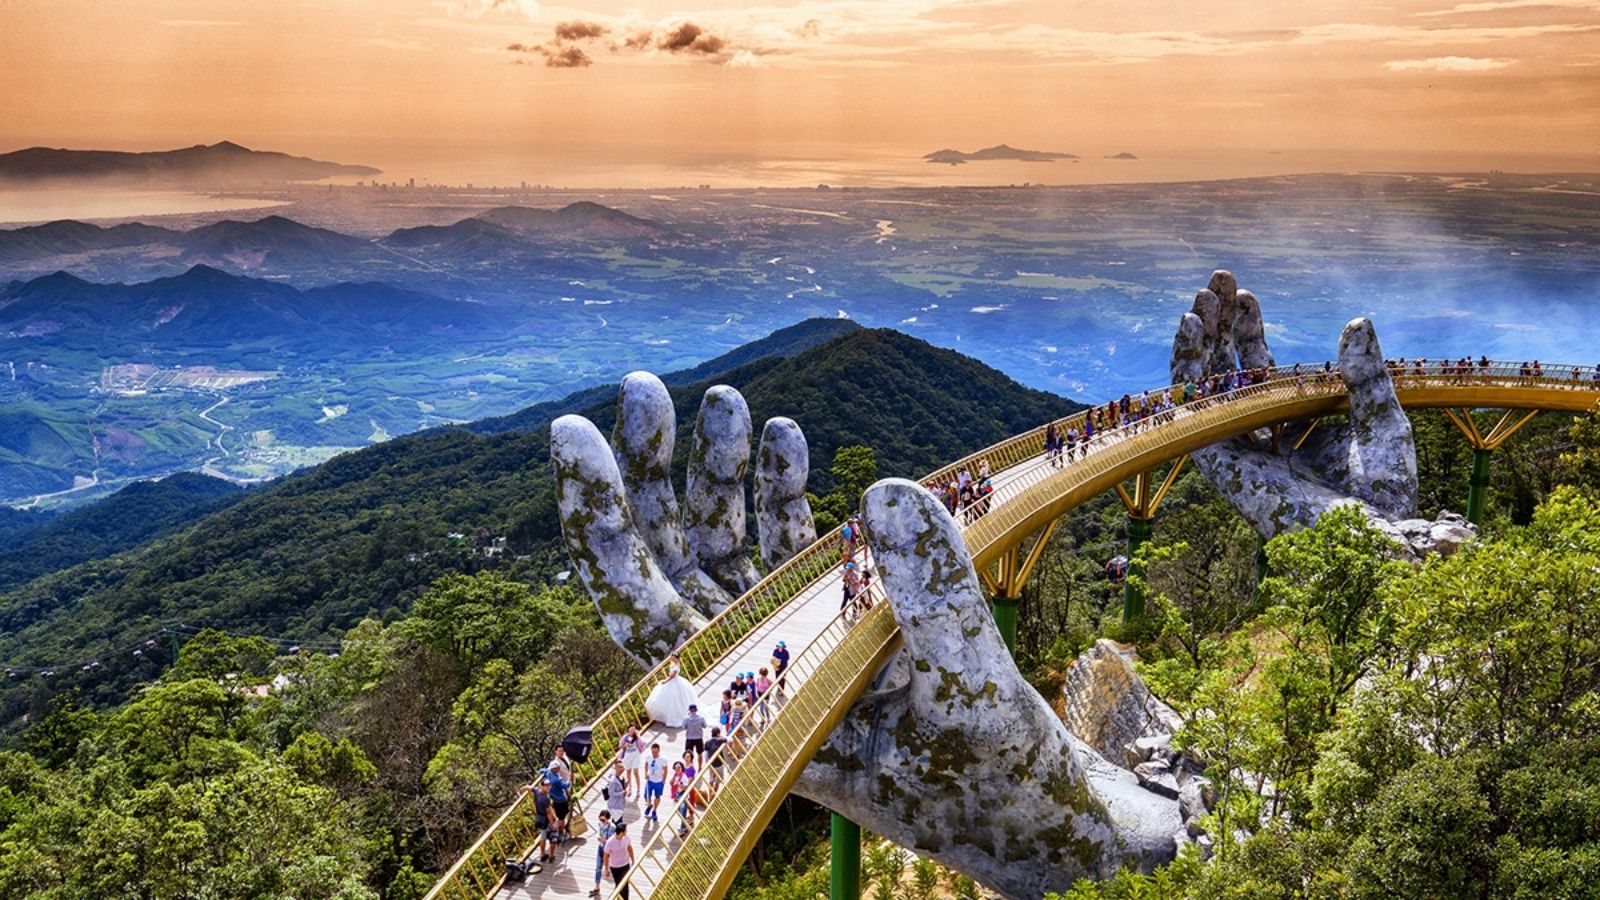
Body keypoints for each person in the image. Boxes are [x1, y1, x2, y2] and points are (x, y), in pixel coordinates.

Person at [644, 653, 699, 727]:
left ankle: (674, 717)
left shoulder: (676, 666)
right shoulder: (673, 663)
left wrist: (665, 681)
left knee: (673, 700)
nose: (672, 658)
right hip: (673, 682)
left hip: (674, 682)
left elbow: (672, 676)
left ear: (676, 658)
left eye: (673, 657)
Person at [590, 810, 616, 898]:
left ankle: (618, 885)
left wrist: (604, 840)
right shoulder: (600, 824)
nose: (601, 821)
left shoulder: (612, 827)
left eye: (603, 820)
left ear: (608, 819)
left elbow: (613, 842)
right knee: (598, 868)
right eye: (600, 819)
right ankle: (597, 887)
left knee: (611, 870)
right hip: (601, 848)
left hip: (608, 851)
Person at [531, 778, 558, 863]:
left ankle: (542, 854)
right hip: (547, 821)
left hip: (540, 819)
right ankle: (552, 855)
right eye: (546, 785)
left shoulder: (537, 791)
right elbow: (549, 813)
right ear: (541, 786)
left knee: (543, 837)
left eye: (549, 785)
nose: (548, 787)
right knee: (553, 838)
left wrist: (522, 789)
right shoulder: (545, 798)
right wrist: (552, 823)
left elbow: (530, 787)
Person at [606, 822, 634, 900]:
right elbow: (606, 855)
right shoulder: (610, 842)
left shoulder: (626, 838)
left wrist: (633, 859)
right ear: (621, 832)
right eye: (626, 831)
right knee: (618, 885)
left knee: (625, 884)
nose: (627, 832)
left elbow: (629, 848)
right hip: (614, 867)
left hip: (625, 865)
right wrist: (606, 869)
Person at [643, 743, 667, 823]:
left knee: (657, 796)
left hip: (659, 781)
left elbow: (665, 769)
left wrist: (664, 780)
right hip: (650, 780)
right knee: (646, 796)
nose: (654, 754)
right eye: (653, 752)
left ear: (659, 751)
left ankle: (654, 810)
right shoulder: (648, 757)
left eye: (656, 752)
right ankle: (650, 805)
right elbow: (646, 764)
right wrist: (646, 773)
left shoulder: (663, 759)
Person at [619, 725, 644, 798]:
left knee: (636, 772)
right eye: (631, 729)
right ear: (628, 730)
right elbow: (620, 746)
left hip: (635, 755)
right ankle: (630, 788)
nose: (632, 731)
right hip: (627, 756)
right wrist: (625, 745)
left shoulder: (637, 737)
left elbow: (642, 743)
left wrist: (638, 736)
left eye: (634, 729)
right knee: (628, 772)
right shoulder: (625, 737)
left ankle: (638, 790)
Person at [703, 726, 727, 796]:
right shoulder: (721, 740)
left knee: (711, 780)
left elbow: (706, 754)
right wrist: (721, 737)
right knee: (717, 781)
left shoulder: (707, 742)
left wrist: (707, 763)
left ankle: (710, 795)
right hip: (719, 764)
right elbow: (729, 740)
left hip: (711, 764)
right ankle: (713, 797)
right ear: (718, 733)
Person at [682, 703, 706, 768]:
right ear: (696, 710)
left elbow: (683, 727)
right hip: (699, 738)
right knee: (700, 753)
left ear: (689, 711)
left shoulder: (686, 719)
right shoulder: (701, 718)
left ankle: (690, 767)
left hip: (689, 738)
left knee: (689, 755)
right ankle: (700, 767)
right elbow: (705, 726)